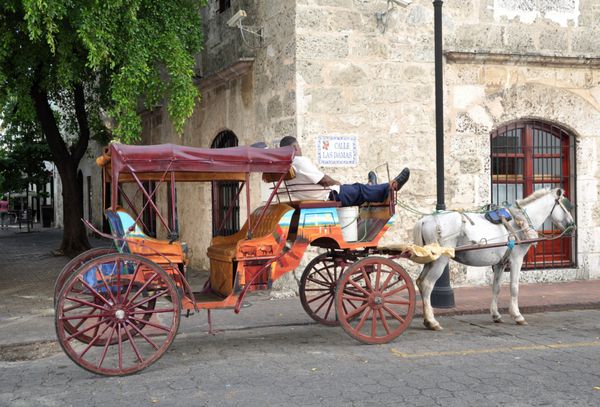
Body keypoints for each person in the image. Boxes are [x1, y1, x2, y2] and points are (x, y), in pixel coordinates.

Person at [279, 136, 410, 206]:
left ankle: (372, 186)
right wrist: (336, 182)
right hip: (327, 197)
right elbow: (324, 180)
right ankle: (391, 187)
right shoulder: (299, 161)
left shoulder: (285, 166)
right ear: (295, 147)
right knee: (358, 189)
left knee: (356, 188)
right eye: (299, 147)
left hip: (312, 197)